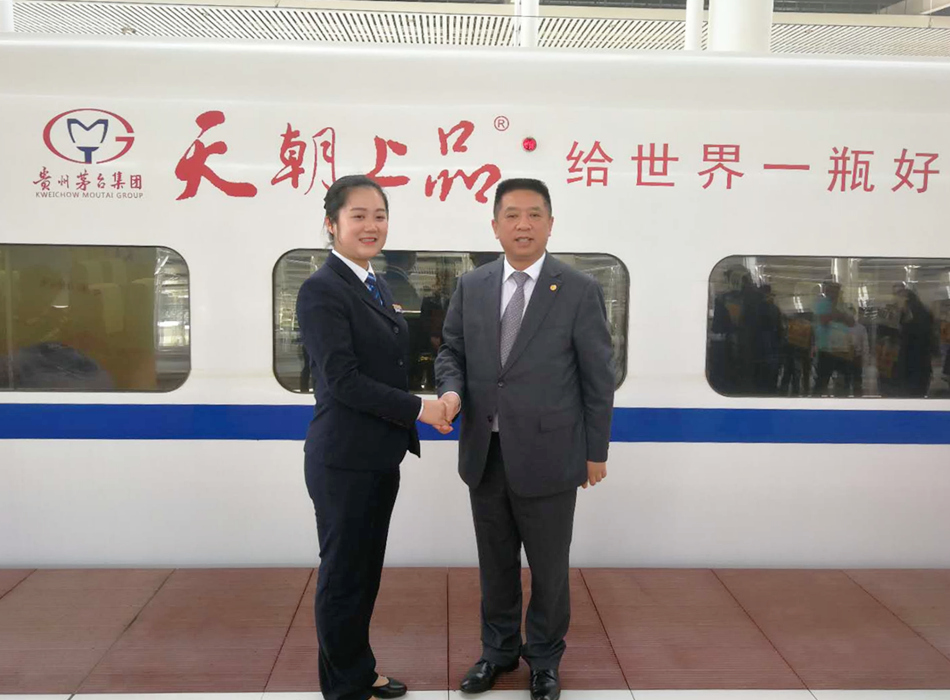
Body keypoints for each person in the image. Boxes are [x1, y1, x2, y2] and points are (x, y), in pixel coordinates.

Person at [434, 178, 615, 700]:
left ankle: (545, 660)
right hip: (485, 453)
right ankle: (497, 652)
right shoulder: (473, 285)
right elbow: (451, 352)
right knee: (495, 565)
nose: (523, 225)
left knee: (549, 569)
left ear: (550, 224)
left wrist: (595, 452)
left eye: (534, 214)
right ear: (494, 225)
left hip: (551, 455)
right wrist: (451, 392)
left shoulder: (577, 289)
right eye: (511, 215)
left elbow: (597, 378)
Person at [295, 175, 451, 700]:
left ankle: (358, 672)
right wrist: (421, 409)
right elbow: (343, 380)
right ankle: (344, 688)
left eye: (379, 215)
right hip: (344, 458)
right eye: (358, 215)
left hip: (378, 454)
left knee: (363, 573)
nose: (371, 225)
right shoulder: (321, 290)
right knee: (344, 577)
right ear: (331, 223)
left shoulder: (374, 283)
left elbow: (385, 365)